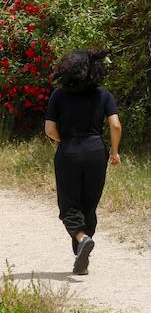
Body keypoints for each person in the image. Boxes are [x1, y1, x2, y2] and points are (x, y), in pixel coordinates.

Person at [42, 49, 121, 276]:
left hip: (69, 151)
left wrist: (66, 141)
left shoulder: (58, 95)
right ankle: (82, 259)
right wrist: (114, 151)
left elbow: (49, 129)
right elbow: (115, 125)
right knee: (89, 206)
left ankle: (81, 238)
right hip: (97, 151)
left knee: (69, 205)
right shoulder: (103, 95)